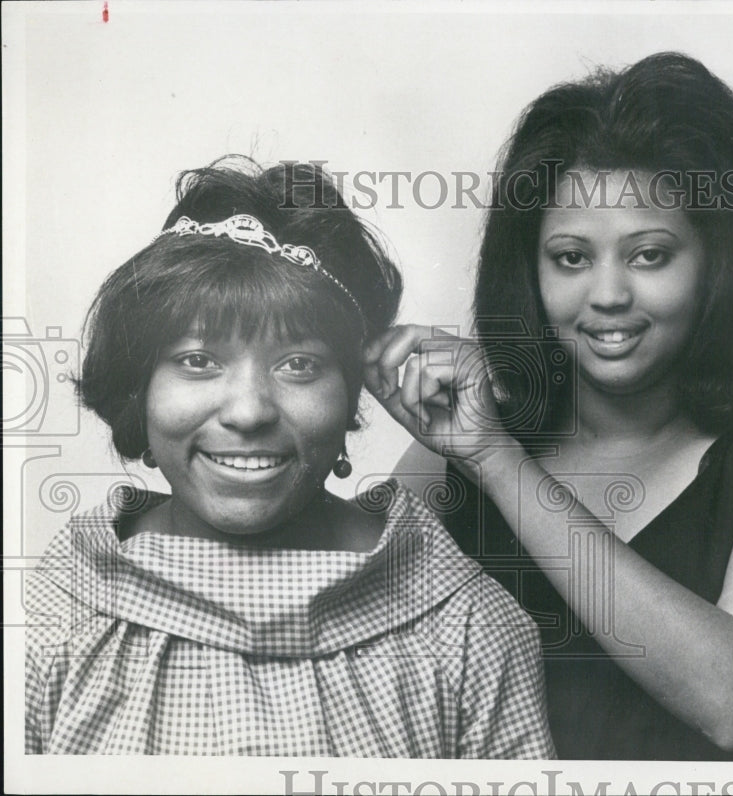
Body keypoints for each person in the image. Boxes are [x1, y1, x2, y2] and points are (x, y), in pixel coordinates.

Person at [364, 52, 733, 761]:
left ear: (718, 262)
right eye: (570, 258)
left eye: (649, 255)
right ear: (528, 272)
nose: (607, 296)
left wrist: (499, 462)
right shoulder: (454, 449)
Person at [24, 156, 554, 758]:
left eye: (298, 364)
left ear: (355, 387)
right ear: (139, 386)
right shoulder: (47, 615)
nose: (249, 412)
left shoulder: (469, 631)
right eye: (199, 360)